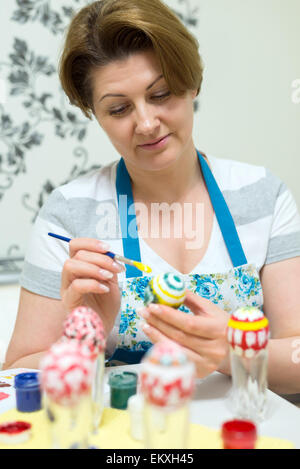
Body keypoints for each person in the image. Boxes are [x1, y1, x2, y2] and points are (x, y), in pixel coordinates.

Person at [3, 0, 300, 395]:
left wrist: (229, 351)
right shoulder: (68, 215)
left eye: (160, 94)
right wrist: (86, 337)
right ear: (94, 114)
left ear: (191, 82)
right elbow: (15, 375)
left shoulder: (263, 196)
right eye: (119, 108)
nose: (145, 123)